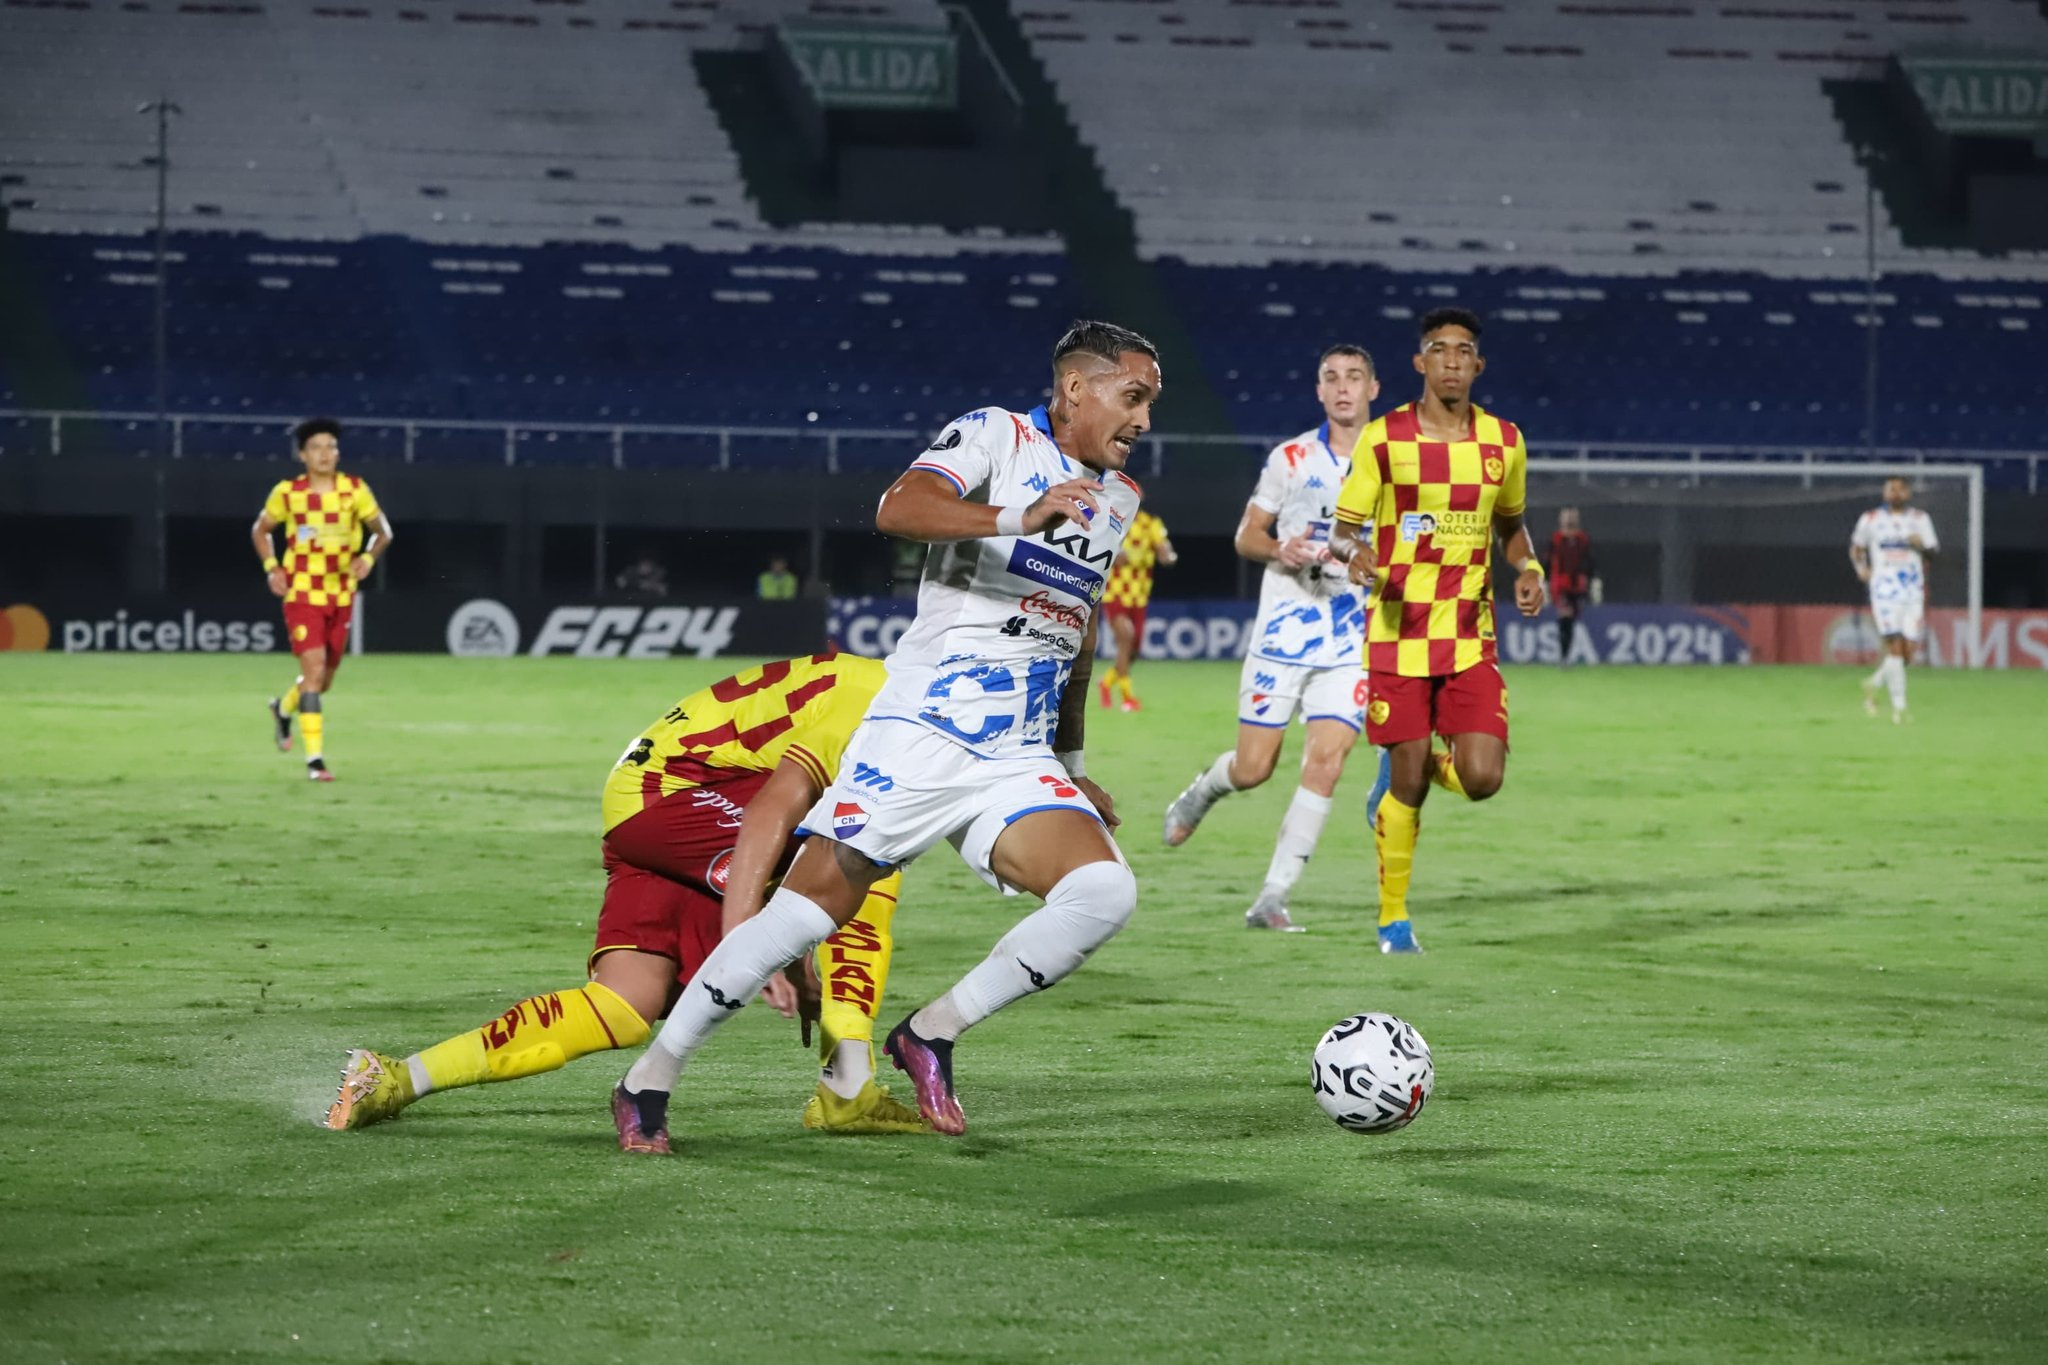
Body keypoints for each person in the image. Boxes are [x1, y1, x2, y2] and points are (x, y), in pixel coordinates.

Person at [611, 320, 1159, 1153]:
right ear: (1076, 389)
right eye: (1134, 396)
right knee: (801, 917)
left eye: (1151, 401)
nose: (1144, 420)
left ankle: (930, 1032)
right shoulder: (994, 435)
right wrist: (1019, 512)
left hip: (1014, 752)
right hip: (922, 728)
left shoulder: (1119, 500)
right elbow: (897, 507)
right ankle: (649, 1078)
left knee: (1105, 893)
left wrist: (1072, 765)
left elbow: (1075, 634)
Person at [323, 651, 928, 1142]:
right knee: (867, 858)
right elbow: (775, 813)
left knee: (622, 1005)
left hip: (650, 803)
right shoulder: (894, 703)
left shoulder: (889, 681)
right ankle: (849, 1083)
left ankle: (395, 1079)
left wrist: (789, 945)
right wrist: (757, 937)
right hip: (681, 790)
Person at [1328, 309, 1544, 953]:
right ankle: (1393, 918)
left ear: (1478, 366)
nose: (1452, 360)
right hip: (1397, 633)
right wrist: (1353, 554)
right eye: (1439, 350)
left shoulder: (1505, 442)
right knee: (1411, 783)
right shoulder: (1384, 439)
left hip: (1470, 634)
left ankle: (1406, 770)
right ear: (1420, 364)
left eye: (1464, 351)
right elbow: (1342, 529)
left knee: (1482, 778)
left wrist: (1528, 566)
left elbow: (1510, 525)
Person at [1161, 344, 1393, 932]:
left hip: (1349, 641)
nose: (1343, 388)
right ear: (1319, 392)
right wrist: (1278, 548)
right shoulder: (1290, 459)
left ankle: (1272, 896)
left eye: (1354, 378)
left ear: (1374, 389)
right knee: (1254, 768)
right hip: (1284, 634)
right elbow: (1246, 537)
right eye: (1331, 378)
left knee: (1328, 762)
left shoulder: (1395, 464)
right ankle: (1205, 790)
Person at [252, 418, 394, 781]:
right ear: (302, 455)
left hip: (341, 594)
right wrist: (272, 567)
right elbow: (261, 530)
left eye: (330, 446)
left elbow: (383, 533)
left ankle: (283, 710)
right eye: (316, 447)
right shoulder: (288, 493)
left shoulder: (355, 490)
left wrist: (367, 557)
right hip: (302, 594)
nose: (325, 454)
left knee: (322, 680)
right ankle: (315, 761)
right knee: (313, 672)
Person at [1851, 476, 1938, 723]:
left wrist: (1920, 546)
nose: (1895, 492)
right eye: (1891, 488)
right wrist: (1861, 568)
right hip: (1884, 590)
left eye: (1900, 488)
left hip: (1913, 590)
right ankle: (1900, 709)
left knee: (1908, 653)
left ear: (1908, 493)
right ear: (1885, 492)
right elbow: (1856, 547)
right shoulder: (1870, 519)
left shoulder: (1920, 520)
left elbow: (1933, 552)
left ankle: (1873, 683)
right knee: (1895, 648)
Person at [1097, 510, 1175, 711]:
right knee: (1126, 637)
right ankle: (1127, 698)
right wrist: (1113, 554)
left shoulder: (1151, 523)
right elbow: (1098, 549)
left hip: (1139, 597)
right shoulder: (1113, 522)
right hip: (1114, 593)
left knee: (1134, 650)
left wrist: (1167, 554)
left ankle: (1106, 682)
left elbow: (1162, 545)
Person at [1549, 507, 1593, 664]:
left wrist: (1588, 581)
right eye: (1566, 517)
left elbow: (1589, 563)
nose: (1569, 520)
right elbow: (1548, 563)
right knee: (1565, 616)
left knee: (1571, 620)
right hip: (1561, 585)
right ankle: (1564, 656)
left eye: (1572, 517)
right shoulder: (1556, 539)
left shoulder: (1583, 540)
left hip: (1578, 586)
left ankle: (1565, 654)